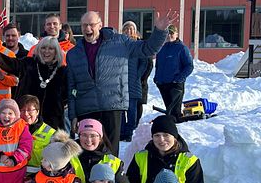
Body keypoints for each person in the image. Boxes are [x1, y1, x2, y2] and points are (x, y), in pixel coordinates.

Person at [66, 10, 177, 156]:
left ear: (100, 25)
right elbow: (72, 87)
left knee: (110, 153)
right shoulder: (74, 53)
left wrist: (160, 31)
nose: (88, 29)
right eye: (84, 25)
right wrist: (73, 114)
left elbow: (147, 48)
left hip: (112, 106)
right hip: (86, 109)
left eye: (91, 25)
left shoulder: (120, 42)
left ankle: (111, 178)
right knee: (88, 152)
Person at [0, 36, 67, 130]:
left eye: (51, 49)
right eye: (43, 48)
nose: (46, 51)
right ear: (38, 49)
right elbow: (13, 64)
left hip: (53, 121)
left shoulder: (62, 71)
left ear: (56, 51)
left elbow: (67, 94)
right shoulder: (29, 63)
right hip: (26, 117)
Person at [69, 118, 128, 183]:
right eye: (84, 135)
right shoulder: (67, 157)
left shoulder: (113, 162)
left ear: (100, 138)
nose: (88, 140)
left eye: (93, 136)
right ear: (79, 136)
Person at [154, 25, 194, 122]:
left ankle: (176, 131)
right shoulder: (161, 48)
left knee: (175, 111)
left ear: (176, 34)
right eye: (167, 33)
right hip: (163, 84)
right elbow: (158, 65)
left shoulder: (182, 48)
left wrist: (179, 78)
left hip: (175, 85)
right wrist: (157, 78)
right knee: (169, 110)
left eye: (171, 33)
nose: (169, 35)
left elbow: (189, 66)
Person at [120, 21, 152, 142]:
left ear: (135, 31)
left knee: (132, 109)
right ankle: (121, 131)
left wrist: (138, 76)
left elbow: (145, 63)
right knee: (121, 109)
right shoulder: (120, 44)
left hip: (134, 83)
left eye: (131, 29)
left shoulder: (139, 44)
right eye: (126, 28)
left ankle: (129, 131)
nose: (128, 31)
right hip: (121, 82)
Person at [18, 95, 56, 176]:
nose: (25, 114)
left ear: (37, 112)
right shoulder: (12, 130)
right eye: (22, 110)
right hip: (16, 176)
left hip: (40, 179)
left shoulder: (52, 133)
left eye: (29, 110)